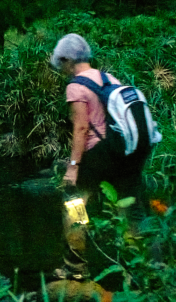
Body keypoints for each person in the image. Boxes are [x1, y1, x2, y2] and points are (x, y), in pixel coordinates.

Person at [50, 33, 150, 280]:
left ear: (66, 60)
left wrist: (73, 167)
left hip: (98, 154)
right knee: (130, 209)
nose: (60, 69)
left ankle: (75, 268)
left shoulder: (76, 86)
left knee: (75, 204)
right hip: (124, 151)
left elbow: (81, 128)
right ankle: (142, 269)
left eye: (61, 64)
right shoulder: (109, 78)